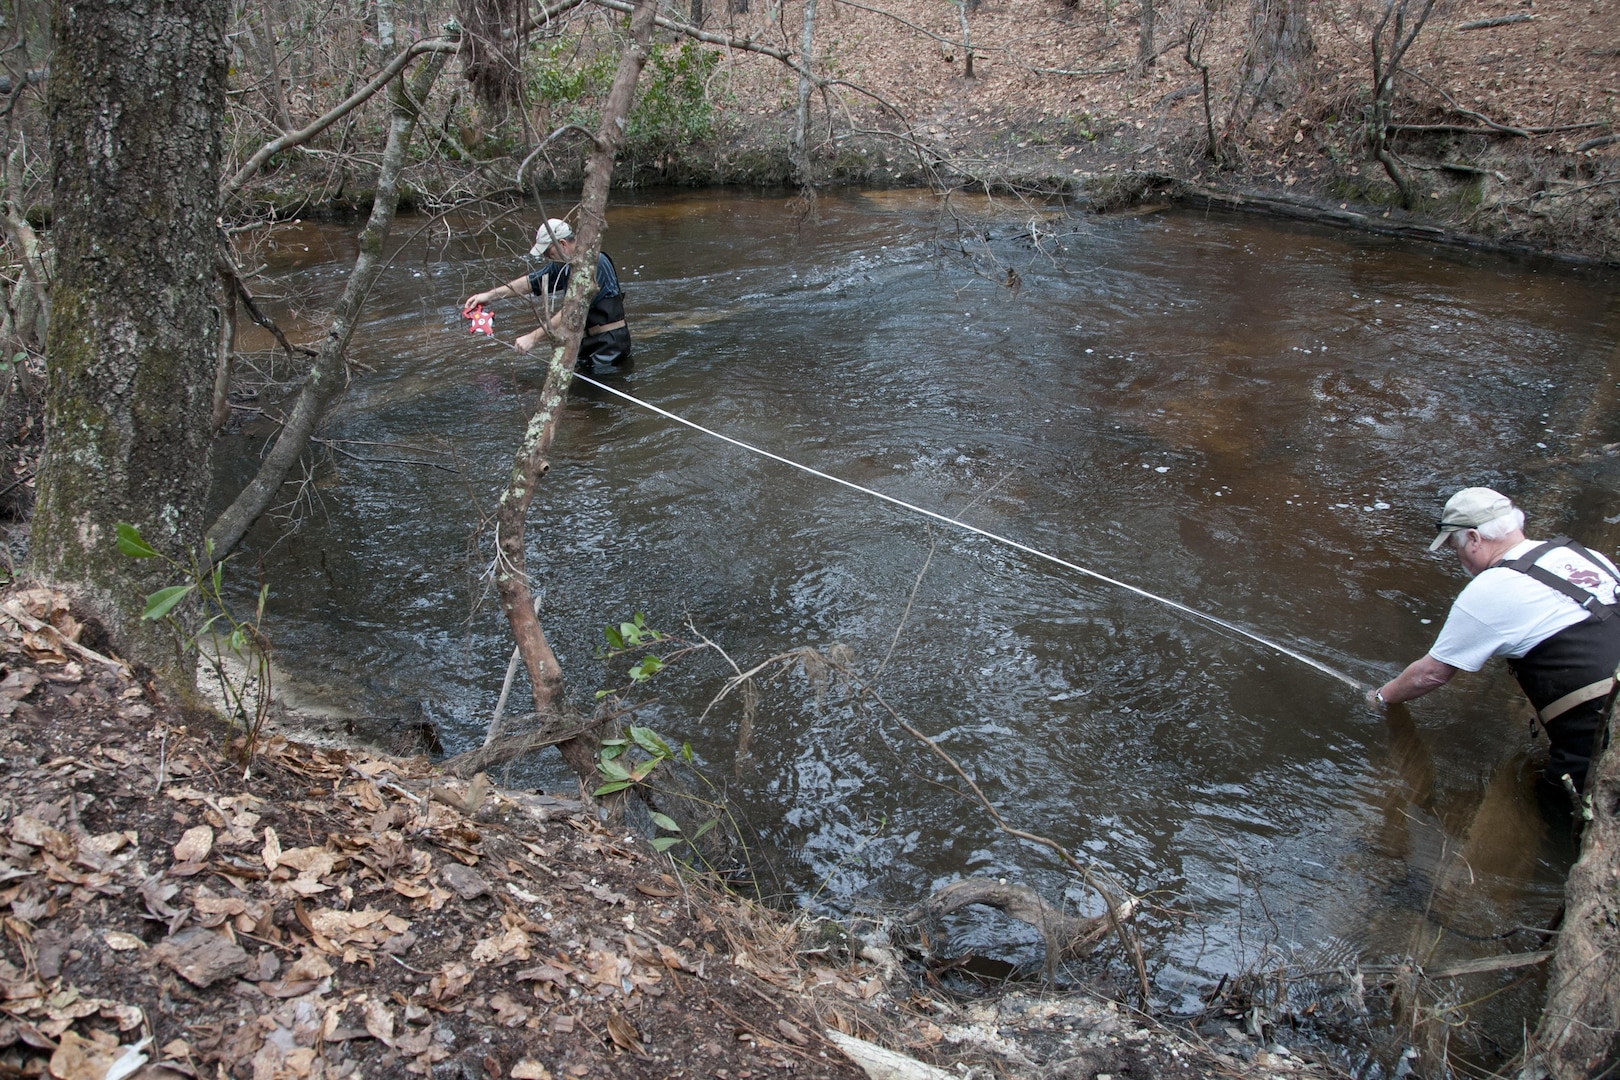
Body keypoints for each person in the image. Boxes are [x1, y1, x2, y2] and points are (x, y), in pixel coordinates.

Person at [1370, 487, 1620, 794]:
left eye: (1454, 546)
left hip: (1599, 722)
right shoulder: (1581, 554)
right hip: (1609, 697)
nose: (1456, 556)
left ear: (1474, 539)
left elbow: (1429, 674)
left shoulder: (1492, 587)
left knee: (1553, 800)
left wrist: (1381, 698)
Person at [462, 218, 630, 372]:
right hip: (585, 346)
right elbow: (530, 282)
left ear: (562, 244)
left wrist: (532, 338)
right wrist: (490, 296)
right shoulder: (565, 264)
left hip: (610, 348)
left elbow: (572, 310)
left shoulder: (594, 263)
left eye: (547, 253)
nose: (546, 258)